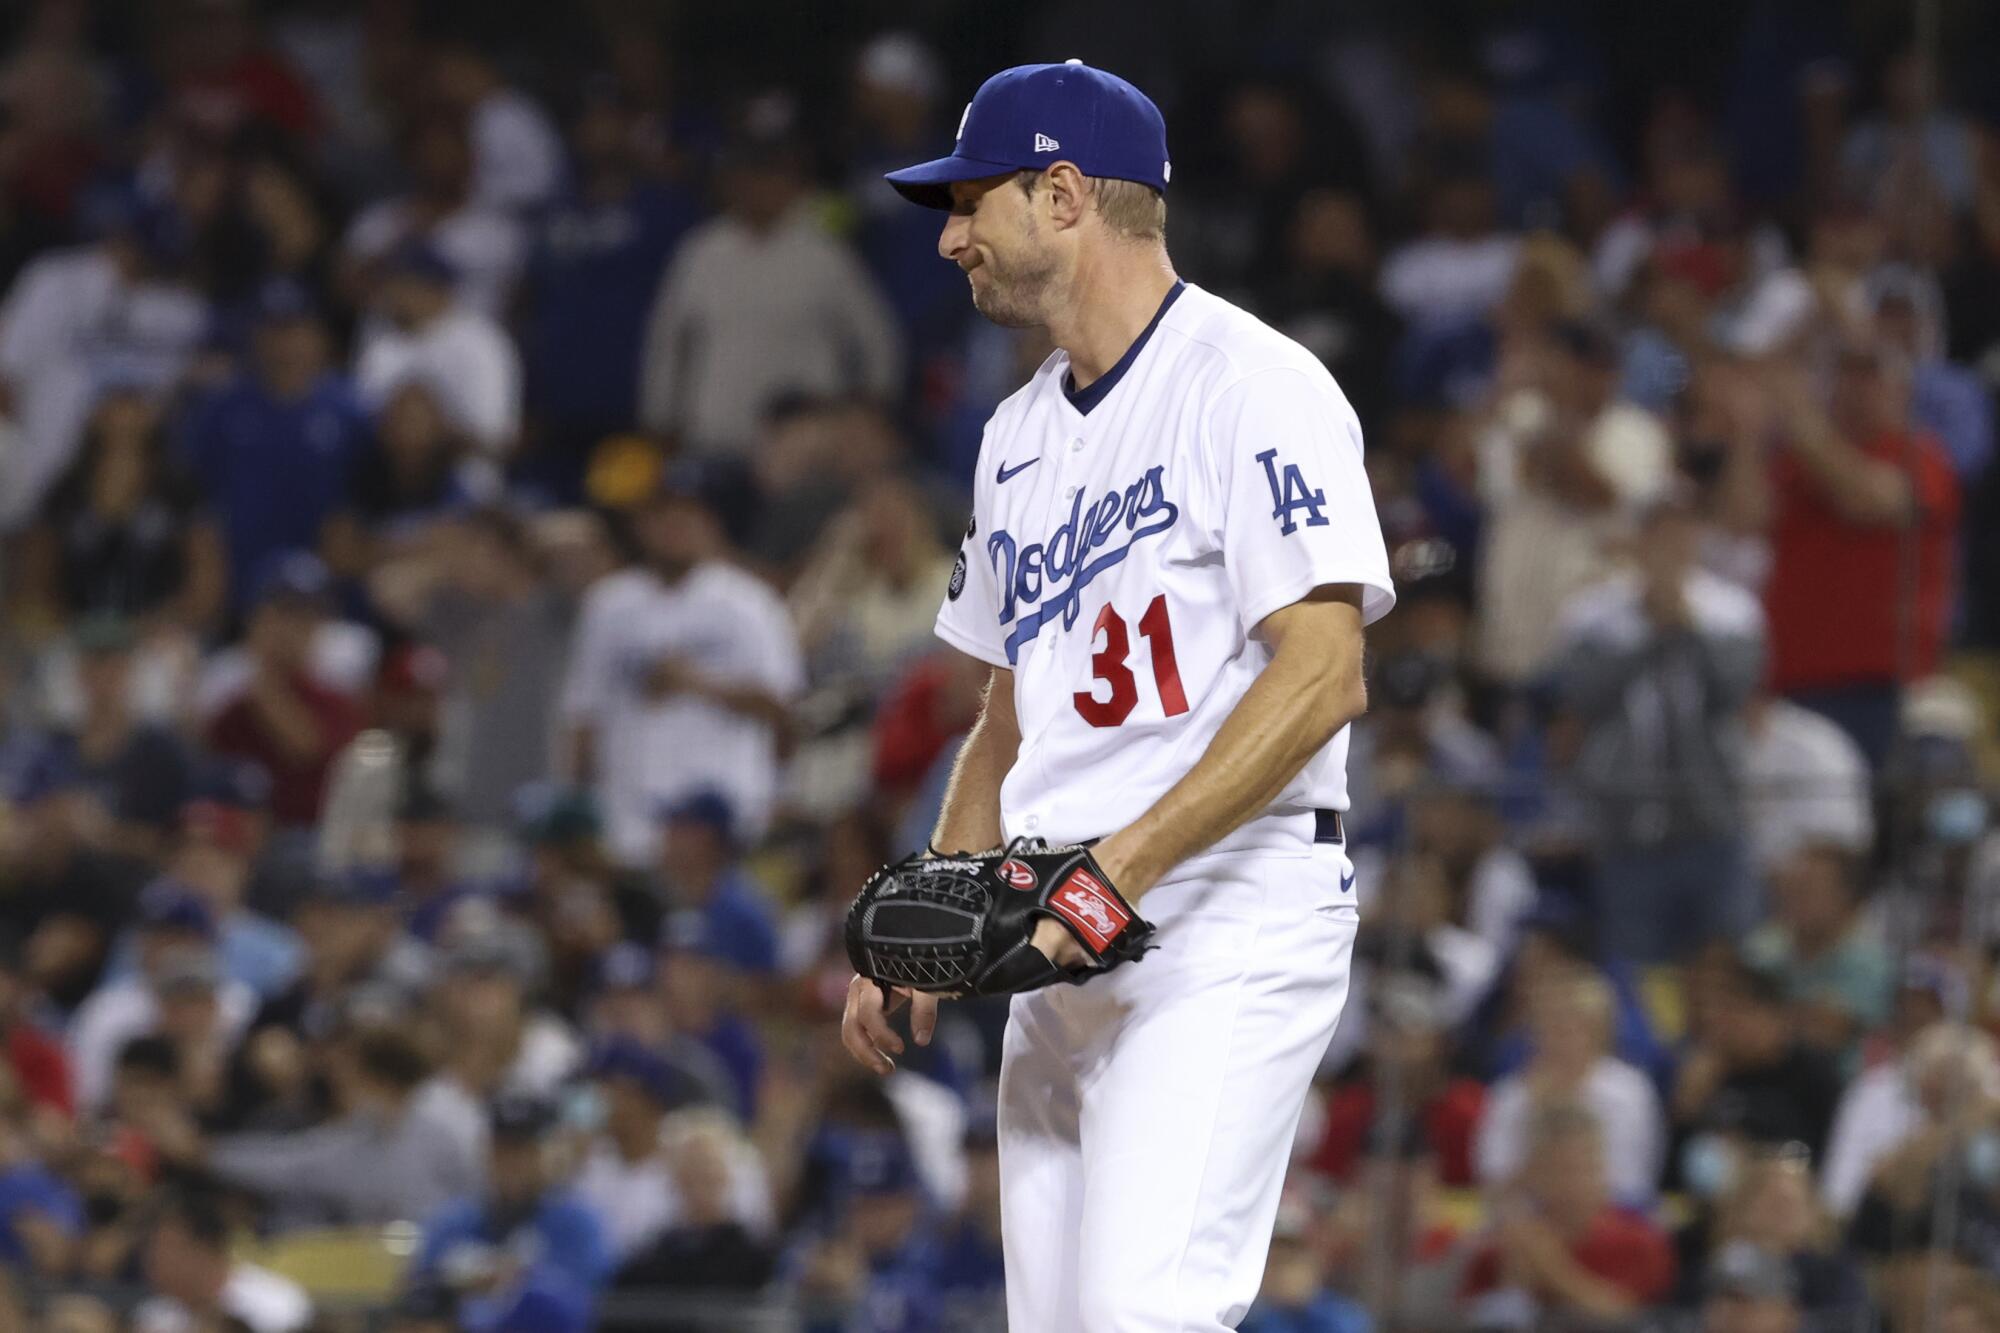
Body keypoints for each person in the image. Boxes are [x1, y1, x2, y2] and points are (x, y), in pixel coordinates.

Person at [842, 61, 1394, 1330]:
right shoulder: (1013, 436)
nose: (949, 235)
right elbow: (1002, 718)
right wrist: (931, 910)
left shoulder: (1250, 383)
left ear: (1064, 192)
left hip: (1222, 908)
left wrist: (1113, 875)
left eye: (971, 200)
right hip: (1056, 929)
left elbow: (1323, 675)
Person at [1555, 488, 1765, 962]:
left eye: (1681, 530)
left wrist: (1687, 626)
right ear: (1638, 538)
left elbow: (1732, 694)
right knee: (1636, 968)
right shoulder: (1593, 614)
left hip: (1713, 820)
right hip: (1626, 826)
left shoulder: (1734, 611)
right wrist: (1652, 629)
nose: (1670, 543)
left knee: (1725, 960)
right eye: (1658, 530)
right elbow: (1586, 698)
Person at [559, 466, 804, 863]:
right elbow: (584, 714)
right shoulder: (609, 604)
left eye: (688, 517)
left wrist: (697, 682)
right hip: (626, 819)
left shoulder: (749, 604)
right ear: (642, 525)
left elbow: (782, 707)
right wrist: (576, 809)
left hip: (724, 817)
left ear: (710, 524)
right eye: (664, 517)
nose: (676, 528)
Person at [638, 113, 903, 459]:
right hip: (713, 442)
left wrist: (865, 415)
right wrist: (660, 420)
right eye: (749, 172)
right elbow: (669, 342)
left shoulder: (825, 254)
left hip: (803, 450)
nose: (759, 184)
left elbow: (877, 341)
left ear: (792, 179)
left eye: (770, 172)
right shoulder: (702, 252)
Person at [179, 279, 371, 611]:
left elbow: (367, 500)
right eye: (273, 330)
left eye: (294, 329)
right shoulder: (221, 407)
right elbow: (193, 495)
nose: (283, 343)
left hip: (326, 592)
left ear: (317, 335)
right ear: (255, 336)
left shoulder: (350, 411)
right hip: (236, 583)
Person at [1459, 1103, 1676, 1323]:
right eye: (1560, 1169)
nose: (1574, 1183)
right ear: (1532, 1173)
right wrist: (1514, 1284)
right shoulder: (1499, 1248)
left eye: (1586, 1168)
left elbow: (1630, 1317)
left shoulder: (1641, 1243)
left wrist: (1550, 1267)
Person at [410, 1094, 612, 1317]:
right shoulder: (455, 1219)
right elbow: (422, 1290)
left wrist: (517, 1278)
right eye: (501, 1150)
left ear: (547, 1153)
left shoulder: (577, 1223)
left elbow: (584, 1299)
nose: (511, 1162)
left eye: (524, 1150)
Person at [202, 553, 363, 828]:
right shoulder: (231, 702)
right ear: (257, 618)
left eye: (307, 617)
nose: (295, 630)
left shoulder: (336, 700)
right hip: (242, 844)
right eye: (285, 614)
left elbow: (304, 748)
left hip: (314, 841)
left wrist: (263, 675)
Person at [354, 240, 521, 454]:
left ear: (432, 288)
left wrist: (427, 432)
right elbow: (361, 419)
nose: (390, 293)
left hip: (462, 480)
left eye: (400, 283)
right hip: (387, 477)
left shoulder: (481, 343)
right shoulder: (381, 342)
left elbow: (497, 440)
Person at [132, 1184, 313, 1333]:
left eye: (167, 1249)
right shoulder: (154, 1316)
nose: (153, 1261)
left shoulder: (278, 1304)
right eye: (149, 1249)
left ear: (205, 1247)